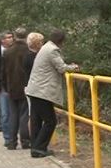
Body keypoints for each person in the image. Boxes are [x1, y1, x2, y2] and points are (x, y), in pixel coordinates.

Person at [25, 29, 79, 158]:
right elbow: (61, 67)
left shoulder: (45, 47)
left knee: (36, 120)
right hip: (42, 91)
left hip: (35, 89)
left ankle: (35, 147)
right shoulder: (52, 50)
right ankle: (39, 148)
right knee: (50, 121)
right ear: (61, 41)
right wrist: (74, 67)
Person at [1, 27, 30, 150]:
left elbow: (3, 71)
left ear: (15, 36)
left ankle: (12, 142)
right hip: (26, 86)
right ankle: (25, 141)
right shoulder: (29, 51)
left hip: (11, 87)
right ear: (26, 36)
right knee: (24, 115)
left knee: (13, 114)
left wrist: (5, 86)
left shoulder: (7, 52)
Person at [0, 31, 14, 144]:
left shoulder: (16, 51)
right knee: (5, 113)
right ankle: (7, 138)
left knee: (15, 113)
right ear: (3, 40)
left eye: (12, 37)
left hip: (15, 86)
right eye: (8, 37)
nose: (11, 39)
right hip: (2, 87)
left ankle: (15, 136)